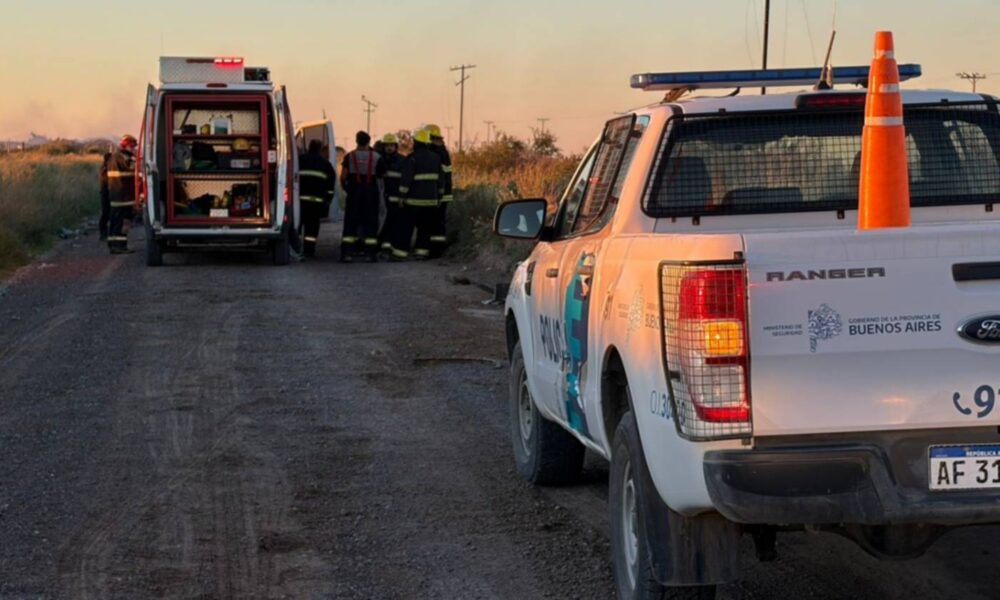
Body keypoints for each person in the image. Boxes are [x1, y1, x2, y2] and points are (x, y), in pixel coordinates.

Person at [395, 127, 444, 260]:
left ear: (416, 142)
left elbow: (406, 180)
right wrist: (439, 196)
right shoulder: (436, 158)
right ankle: (421, 253)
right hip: (431, 202)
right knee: (425, 229)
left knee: (406, 228)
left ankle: (400, 254)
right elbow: (441, 180)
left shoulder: (412, 158)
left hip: (413, 202)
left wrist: (401, 197)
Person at [340, 131, 384, 262]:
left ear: (356, 141)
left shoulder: (350, 156)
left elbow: (343, 176)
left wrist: (346, 188)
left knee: (350, 223)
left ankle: (347, 254)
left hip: (354, 192)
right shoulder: (377, 157)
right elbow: (382, 175)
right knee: (371, 223)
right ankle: (370, 254)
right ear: (369, 142)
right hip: (371, 193)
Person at [298, 140, 337, 257]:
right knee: (312, 229)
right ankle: (309, 251)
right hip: (316, 203)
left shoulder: (300, 160)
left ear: (309, 147)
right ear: (320, 149)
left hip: (299, 202)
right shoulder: (325, 164)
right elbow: (331, 185)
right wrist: (328, 199)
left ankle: (294, 249)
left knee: (297, 226)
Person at [106, 135, 137, 254]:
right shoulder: (125, 157)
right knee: (122, 222)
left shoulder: (114, 156)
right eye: (132, 146)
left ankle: (113, 245)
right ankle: (120, 246)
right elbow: (133, 167)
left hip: (116, 194)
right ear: (126, 145)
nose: (133, 149)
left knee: (115, 220)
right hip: (124, 196)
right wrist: (136, 158)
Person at [377, 133, 406, 259]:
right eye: (387, 145)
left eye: (391, 145)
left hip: (396, 198)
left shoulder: (402, 160)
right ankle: (384, 246)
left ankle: (389, 246)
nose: (389, 148)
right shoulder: (380, 160)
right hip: (383, 198)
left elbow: (405, 180)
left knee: (394, 224)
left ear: (396, 146)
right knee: (384, 223)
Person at [425, 124, 452, 258]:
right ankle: (437, 249)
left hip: (438, 193)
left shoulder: (435, 153)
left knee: (434, 223)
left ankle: (434, 250)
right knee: (438, 222)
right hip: (444, 193)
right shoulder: (443, 152)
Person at [98, 149, 112, 241]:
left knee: (107, 213)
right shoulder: (105, 169)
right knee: (106, 213)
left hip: (106, 192)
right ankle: (103, 233)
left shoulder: (104, 168)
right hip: (106, 192)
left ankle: (105, 233)